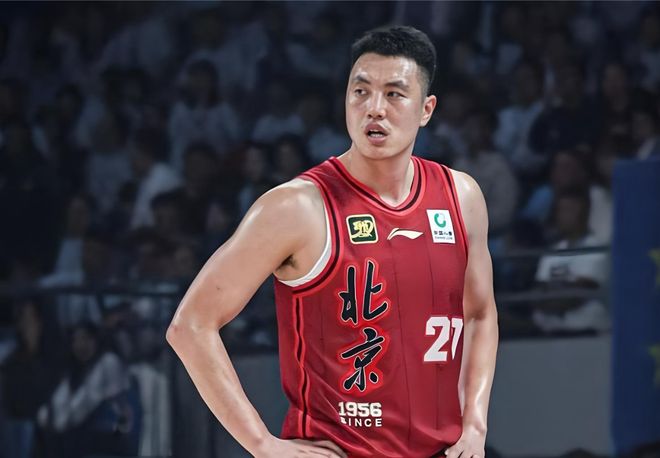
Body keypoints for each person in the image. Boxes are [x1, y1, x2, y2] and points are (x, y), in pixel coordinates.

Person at [167, 26, 498, 458]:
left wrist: (475, 423)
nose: (374, 108)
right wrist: (263, 446)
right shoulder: (296, 206)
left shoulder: (462, 196)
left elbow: (479, 314)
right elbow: (190, 325)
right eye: (361, 92)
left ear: (426, 109)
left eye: (394, 94)